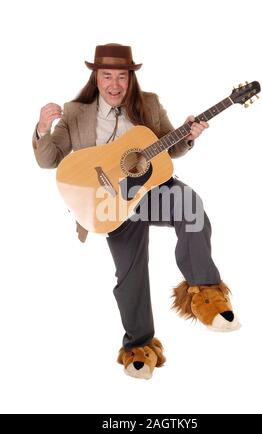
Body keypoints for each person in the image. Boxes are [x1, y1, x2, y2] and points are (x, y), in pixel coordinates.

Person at [32, 43, 240, 380]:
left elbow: (170, 150)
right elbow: (48, 160)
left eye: (122, 77)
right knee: (129, 273)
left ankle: (206, 293)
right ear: (96, 78)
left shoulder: (150, 104)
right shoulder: (75, 112)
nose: (114, 84)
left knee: (190, 207)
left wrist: (189, 135)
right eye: (106, 76)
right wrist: (42, 128)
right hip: (108, 202)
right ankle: (138, 346)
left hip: (152, 189)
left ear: (131, 79)